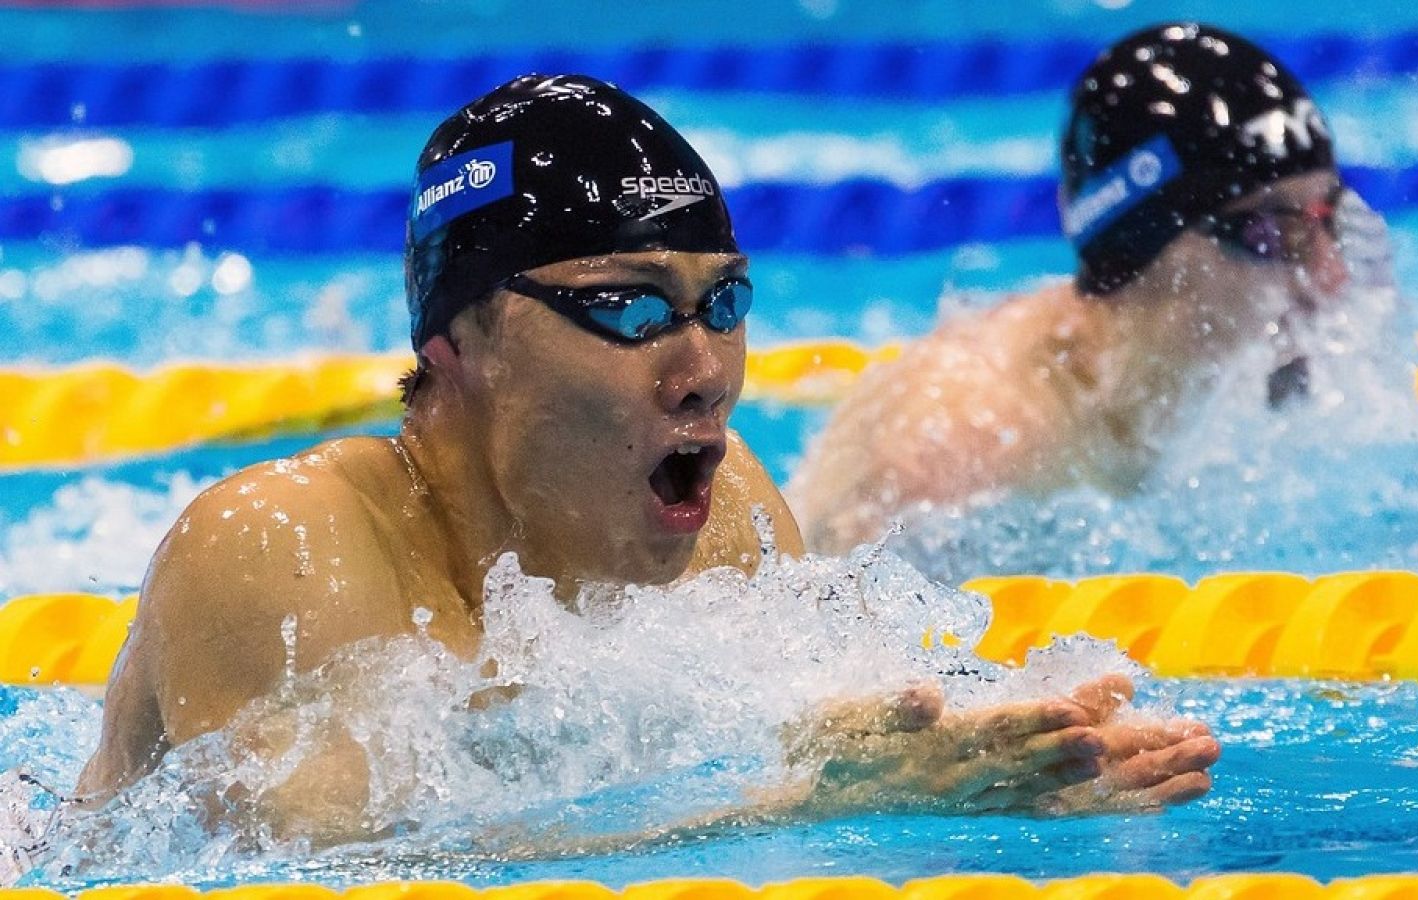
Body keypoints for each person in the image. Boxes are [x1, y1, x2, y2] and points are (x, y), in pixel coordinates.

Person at [69, 75, 1216, 850]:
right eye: (625, 308)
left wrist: (1005, 767)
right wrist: (803, 802)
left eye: (723, 303)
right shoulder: (285, 547)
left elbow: (834, 752)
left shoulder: (728, 513)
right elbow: (336, 868)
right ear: (456, 344)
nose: (703, 367)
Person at [792, 23, 1352, 554]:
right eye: (1271, 232)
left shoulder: (1254, 392)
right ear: (1140, 246)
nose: (1330, 275)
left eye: (1330, 220)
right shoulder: (958, 448)